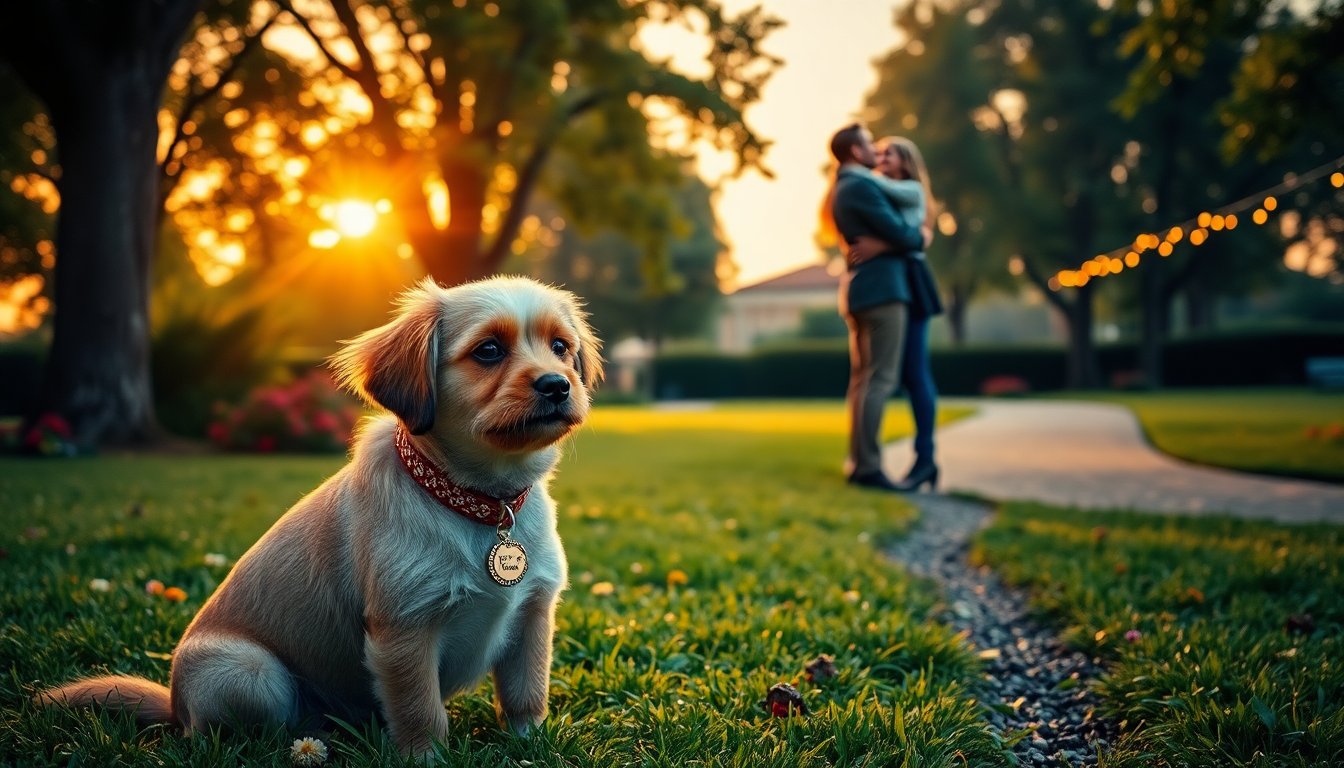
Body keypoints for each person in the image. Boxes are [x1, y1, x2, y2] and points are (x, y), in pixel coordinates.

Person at [823, 123, 928, 492]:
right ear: (855, 151)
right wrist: (917, 237)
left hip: (861, 291)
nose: (874, 150)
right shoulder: (860, 185)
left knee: (863, 382)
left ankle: (859, 463)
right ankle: (868, 467)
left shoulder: (844, 187)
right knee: (879, 380)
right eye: (869, 144)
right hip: (882, 292)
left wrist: (886, 243)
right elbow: (904, 233)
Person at [848, 136, 944, 491]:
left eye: (890, 153)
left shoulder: (907, 190)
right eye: (881, 151)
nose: (882, 157)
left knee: (916, 374)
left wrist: (880, 245)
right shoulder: (884, 191)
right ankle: (906, 459)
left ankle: (926, 458)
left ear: (907, 162)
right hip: (890, 284)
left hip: (910, 282)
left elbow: (917, 236)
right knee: (896, 376)